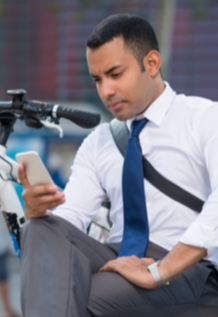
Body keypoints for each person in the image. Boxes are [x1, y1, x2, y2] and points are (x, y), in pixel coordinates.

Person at [18, 13, 218, 317]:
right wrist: (39, 211)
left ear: (151, 64)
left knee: (71, 295)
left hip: (189, 271)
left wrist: (159, 271)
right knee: (40, 228)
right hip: (118, 260)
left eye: (115, 74)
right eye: (97, 79)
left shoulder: (204, 119)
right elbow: (69, 222)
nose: (105, 91)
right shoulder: (98, 142)